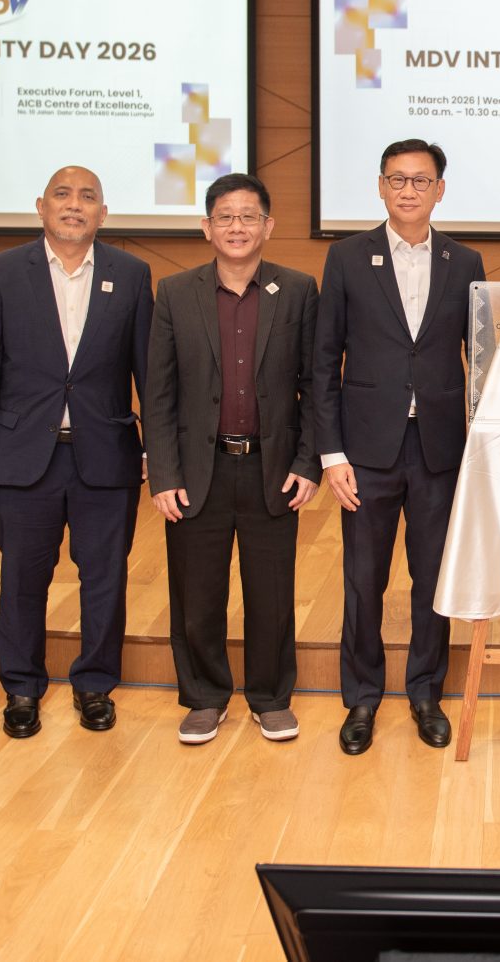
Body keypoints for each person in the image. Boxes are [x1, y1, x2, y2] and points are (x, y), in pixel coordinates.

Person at [0, 166, 151, 739]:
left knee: (105, 577)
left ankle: (94, 684)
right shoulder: (0, 274)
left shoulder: (131, 275)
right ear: (41, 206)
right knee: (21, 577)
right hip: (19, 456)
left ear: (103, 213)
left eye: (87, 197)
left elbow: (150, 372)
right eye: (62, 195)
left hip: (106, 454)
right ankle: (21, 687)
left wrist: (155, 453)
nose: (74, 205)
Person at [314, 139, 485, 755]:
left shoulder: (464, 261)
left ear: (441, 189)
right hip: (365, 451)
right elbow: (321, 362)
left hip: (439, 448)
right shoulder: (347, 259)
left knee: (431, 577)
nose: (408, 190)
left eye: (421, 180)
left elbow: (480, 357)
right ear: (380, 187)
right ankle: (361, 699)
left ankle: (425, 693)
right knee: (363, 579)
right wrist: (331, 454)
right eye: (397, 179)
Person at [145, 173, 319, 745]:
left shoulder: (297, 290)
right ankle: (203, 696)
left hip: (273, 468)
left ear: (269, 226)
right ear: (206, 227)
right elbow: (160, 392)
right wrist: (163, 473)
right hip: (199, 469)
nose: (237, 227)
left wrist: (307, 460)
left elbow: (314, 386)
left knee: (270, 592)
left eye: (249, 216)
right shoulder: (174, 293)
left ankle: (270, 697)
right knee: (197, 592)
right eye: (225, 216)